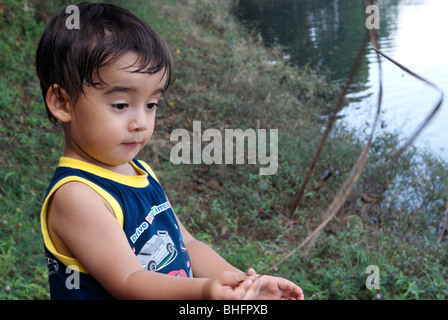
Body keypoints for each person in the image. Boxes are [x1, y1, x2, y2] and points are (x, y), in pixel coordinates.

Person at [36, 2, 304, 300]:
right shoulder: (77, 196)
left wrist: (246, 287)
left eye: (151, 105)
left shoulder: (139, 171)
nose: (140, 122)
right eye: (121, 105)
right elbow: (129, 280)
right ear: (62, 102)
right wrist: (203, 290)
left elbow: (186, 243)